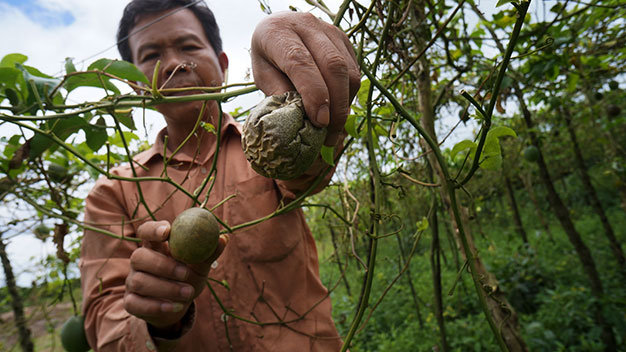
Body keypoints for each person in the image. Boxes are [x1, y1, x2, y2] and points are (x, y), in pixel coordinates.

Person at [79, 0, 360, 351]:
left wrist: (289, 46)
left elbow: (310, 169)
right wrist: (158, 318)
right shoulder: (113, 192)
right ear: (136, 84)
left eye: (189, 46)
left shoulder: (265, 139)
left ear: (222, 65)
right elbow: (103, 326)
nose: (174, 64)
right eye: (151, 55)